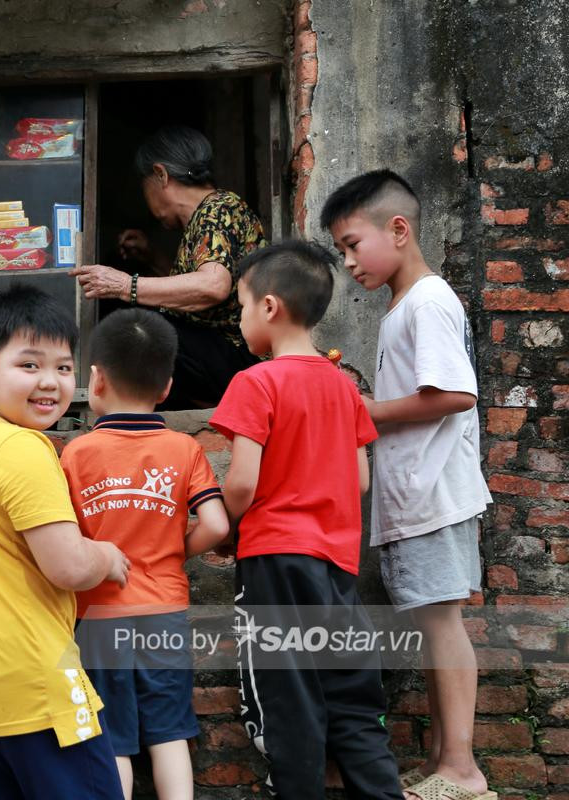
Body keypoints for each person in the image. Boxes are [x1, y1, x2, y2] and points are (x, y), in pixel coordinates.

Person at [0, 283, 131, 800]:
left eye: (63, 367)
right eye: (30, 365)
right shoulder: (22, 447)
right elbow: (67, 567)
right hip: (30, 681)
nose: (51, 383)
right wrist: (106, 555)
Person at [209, 241, 404, 799]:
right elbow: (362, 481)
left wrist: (226, 527)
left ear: (268, 307)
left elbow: (243, 482)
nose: (242, 320)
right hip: (337, 562)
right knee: (351, 699)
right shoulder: (344, 388)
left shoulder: (256, 382)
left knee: (287, 698)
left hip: (274, 561)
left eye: (242, 307)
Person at [322, 171, 494, 800]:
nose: (348, 262)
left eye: (351, 244)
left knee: (443, 624)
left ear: (398, 229)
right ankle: (452, 765)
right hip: (414, 496)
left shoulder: (427, 300)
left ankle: (462, 768)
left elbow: (454, 394)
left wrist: (362, 410)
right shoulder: (403, 306)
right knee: (432, 625)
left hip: (434, 495)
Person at [61, 308, 230, 800]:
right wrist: (173, 552)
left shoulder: (76, 453)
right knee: (170, 731)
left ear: (96, 379)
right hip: (165, 611)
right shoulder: (184, 448)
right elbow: (217, 525)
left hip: (99, 614)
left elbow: (66, 539)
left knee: (111, 739)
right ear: (166, 386)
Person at [70, 124, 267, 409]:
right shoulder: (208, 215)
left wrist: (126, 285)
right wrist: (152, 259)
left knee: (139, 327)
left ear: (160, 174)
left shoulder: (217, 208)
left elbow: (213, 286)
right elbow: (203, 287)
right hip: (226, 357)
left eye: (144, 185)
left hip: (239, 356)